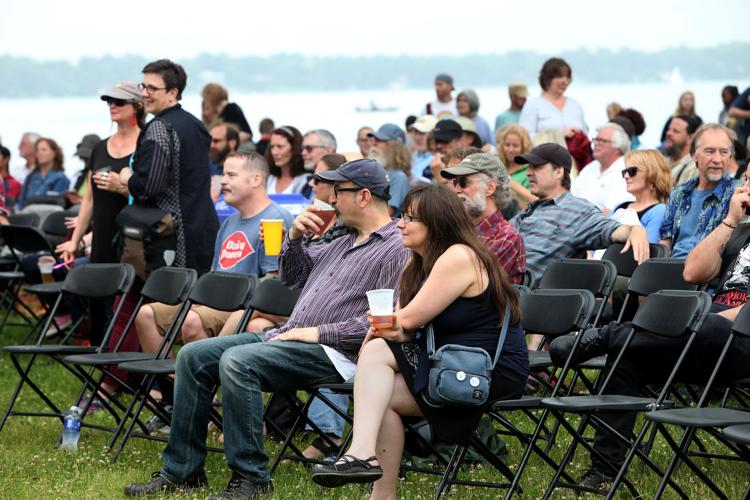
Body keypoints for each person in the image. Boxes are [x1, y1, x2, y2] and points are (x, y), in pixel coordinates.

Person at [123, 159, 410, 498]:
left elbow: (383, 318)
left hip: (338, 352)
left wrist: (317, 333)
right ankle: (182, 471)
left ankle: (251, 478)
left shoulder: (396, 246)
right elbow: (291, 278)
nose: (331, 199)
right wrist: (294, 238)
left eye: (338, 191)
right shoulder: (341, 239)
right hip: (290, 336)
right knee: (193, 355)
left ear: (363, 196)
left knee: (238, 360)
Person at [309, 184, 528, 496]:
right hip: (448, 364)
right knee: (379, 398)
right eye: (403, 216)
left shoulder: (460, 256)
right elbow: (403, 330)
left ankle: (360, 454)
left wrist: (381, 331)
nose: (400, 223)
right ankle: (379, 490)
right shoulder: (417, 262)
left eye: (410, 218)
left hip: (486, 371)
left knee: (376, 353)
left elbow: (406, 322)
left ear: (438, 223)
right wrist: (384, 330)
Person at [548, 171, 750, 491]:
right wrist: (728, 222)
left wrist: (706, 318)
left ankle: (608, 333)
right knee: (629, 354)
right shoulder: (739, 231)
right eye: (747, 179)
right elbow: (693, 271)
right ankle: (605, 469)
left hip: (741, 341)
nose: (746, 188)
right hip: (704, 338)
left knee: (702, 320)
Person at [135, 152, 293, 358]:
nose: (223, 181)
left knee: (192, 320)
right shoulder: (229, 222)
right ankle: (171, 385)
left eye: (231, 175)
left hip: (244, 304)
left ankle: (203, 385)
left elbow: (274, 283)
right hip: (217, 303)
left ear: (256, 180)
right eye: (223, 174)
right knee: (146, 314)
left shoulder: (274, 220)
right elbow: (214, 273)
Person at [57, 81, 144, 338]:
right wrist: (75, 241)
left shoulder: (145, 144)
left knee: (126, 302)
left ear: (137, 106)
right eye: (109, 102)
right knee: (99, 301)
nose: (112, 106)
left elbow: (150, 193)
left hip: (133, 236)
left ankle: (127, 369)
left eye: (119, 102)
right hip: (103, 234)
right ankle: (101, 361)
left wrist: (122, 186)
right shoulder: (99, 147)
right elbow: (89, 200)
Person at [119, 59, 219, 274]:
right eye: (143, 86)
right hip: (203, 225)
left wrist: (127, 178)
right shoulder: (196, 124)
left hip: (173, 235)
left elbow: (148, 188)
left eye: (152, 88)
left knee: (172, 303)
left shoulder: (159, 128)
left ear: (173, 93)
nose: (144, 93)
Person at [510, 143, 649, 286]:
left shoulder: (579, 211)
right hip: (499, 281)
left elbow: (610, 230)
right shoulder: (528, 211)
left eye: (536, 167)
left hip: (524, 294)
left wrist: (635, 230)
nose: (528, 172)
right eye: (529, 167)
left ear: (558, 172)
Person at [440, 153, 526, 283]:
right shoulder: (454, 228)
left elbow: (467, 284)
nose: (456, 189)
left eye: (463, 182)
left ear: (489, 188)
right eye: (455, 182)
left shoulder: (506, 237)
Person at [660, 124, 737, 258]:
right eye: (710, 151)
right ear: (693, 154)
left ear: (730, 157)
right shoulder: (679, 193)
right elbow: (665, 242)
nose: (717, 159)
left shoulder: (738, 194)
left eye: (724, 152)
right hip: (670, 269)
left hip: (710, 273)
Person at [612, 150, 673, 243]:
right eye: (625, 171)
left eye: (632, 171)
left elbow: (648, 251)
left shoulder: (660, 211)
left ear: (652, 174)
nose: (626, 176)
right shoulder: (619, 206)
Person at [571, 123, 633, 213]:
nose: (595, 143)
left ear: (618, 148)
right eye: (595, 139)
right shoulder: (589, 168)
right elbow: (571, 197)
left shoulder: (626, 172)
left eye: (602, 141)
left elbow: (610, 212)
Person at [519, 57, 587, 138]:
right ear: (547, 78)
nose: (565, 81)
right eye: (560, 76)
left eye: (567, 77)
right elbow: (524, 137)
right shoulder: (532, 105)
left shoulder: (575, 105)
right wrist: (558, 136)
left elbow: (585, 133)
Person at [368, 123, 410, 215]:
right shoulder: (375, 173)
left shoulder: (398, 177)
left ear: (394, 147)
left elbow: (385, 214)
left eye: (380, 140)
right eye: (374, 139)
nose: (374, 143)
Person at [17, 138, 69, 208]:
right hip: (27, 215)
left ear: (54, 153)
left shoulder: (61, 177)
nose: (39, 153)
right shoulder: (30, 177)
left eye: (44, 150)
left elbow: (57, 204)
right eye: (37, 150)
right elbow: (21, 202)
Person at [497, 124, 536, 210]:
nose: (510, 150)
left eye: (515, 146)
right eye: (507, 145)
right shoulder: (498, 167)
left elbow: (537, 205)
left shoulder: (530, 171)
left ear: (524, 147)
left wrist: (515, 198)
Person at [264, 126, 309, 195]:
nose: (274, 152)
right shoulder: (269, 179)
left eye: (280, 146)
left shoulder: (306, 180)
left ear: (295, 148)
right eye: (272, 147)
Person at [664, 114, 702, 185]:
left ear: (690, 138)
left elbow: (681, 195)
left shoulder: (694, 167)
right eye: (668, 129)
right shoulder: (661, 162)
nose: (668, 133)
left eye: (675, 131)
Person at [407, 115, 436, 182]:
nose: (417, 137)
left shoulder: (438, 160)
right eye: (415, 132)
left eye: (422, 133)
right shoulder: (412, 156)